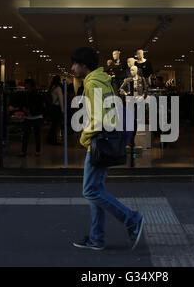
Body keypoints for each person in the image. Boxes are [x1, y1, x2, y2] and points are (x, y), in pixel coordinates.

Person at [70, 47, 144, 251]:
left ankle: (131, 218)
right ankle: (96, 238)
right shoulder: (103, 79)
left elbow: (99, 117)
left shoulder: (92, 82)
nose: (72, 67)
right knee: (96, 190)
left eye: (75, 63)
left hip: (98, 142)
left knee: (90, 190)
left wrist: (84, 138)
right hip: (107, 140)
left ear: (84, 65)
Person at [20, 79, 44, 157]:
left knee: (28, 135)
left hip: (34, 116)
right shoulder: (30, 94)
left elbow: (37, 105)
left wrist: (28, 110)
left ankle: (26, 151)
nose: (25, 86)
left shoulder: (32, 94)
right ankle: (36, 151)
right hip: (34, 116)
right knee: (34, 135)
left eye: (26, 84)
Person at [47, 75, 64, 145]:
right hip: (57, 108)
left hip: (52, 108)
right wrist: (63, 110)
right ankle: (53, 140)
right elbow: (61, 100)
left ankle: (50, 139)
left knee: (53, 125)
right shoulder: (58, 88)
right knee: (55, 125)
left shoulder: (52, 88)